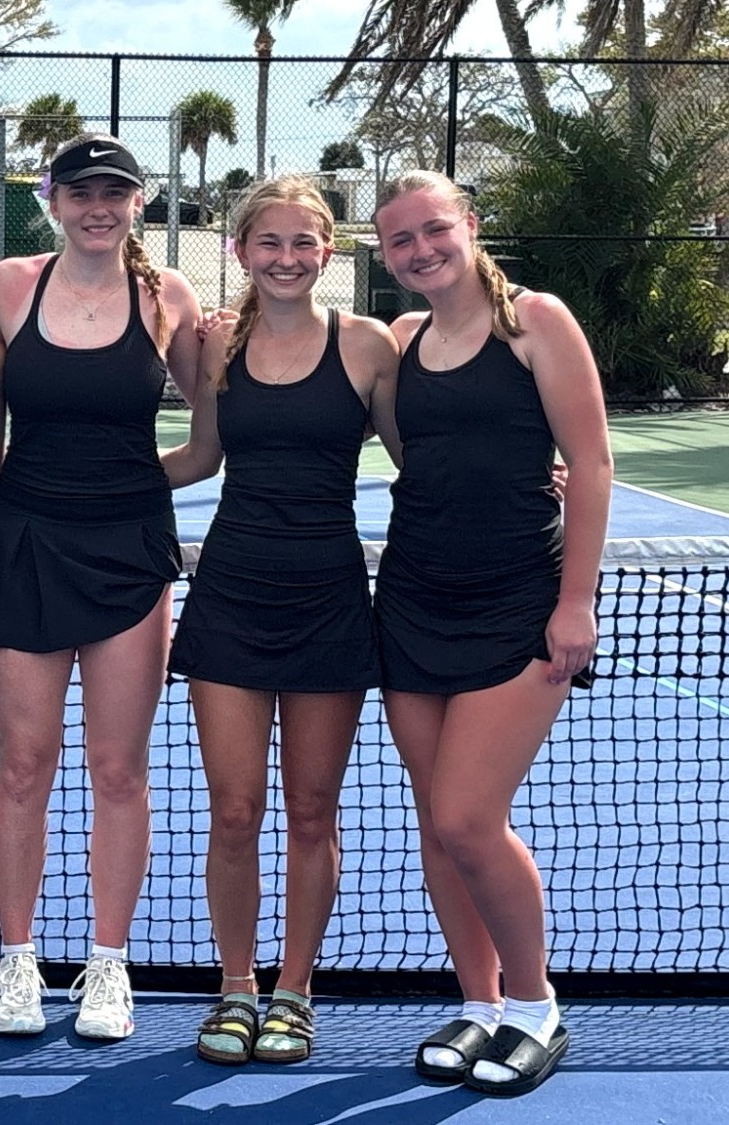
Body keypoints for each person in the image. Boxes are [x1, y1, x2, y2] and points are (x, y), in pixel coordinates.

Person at [371, 170, 611, 1097]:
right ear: (385, 255)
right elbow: (418, 453)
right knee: (439, 825)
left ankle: (536, 1004)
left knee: (471, 815)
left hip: (520, 603)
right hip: (412, 598)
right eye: (401, 240)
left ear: (469, 225)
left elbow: (590, 462)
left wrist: (575, 600)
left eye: (435, 229)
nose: (422, 249)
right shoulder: (402, 338)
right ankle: (480, 1004)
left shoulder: (537, 322)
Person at [158, 178, 400, 1065]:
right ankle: (235, 986)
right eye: (270, 243)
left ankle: (295, 990)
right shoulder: (219, 343)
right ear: (241, 250)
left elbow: (429, 458)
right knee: (233, 809)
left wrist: (532, 475)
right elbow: (200, 455)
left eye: (304, 243)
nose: (287, 258)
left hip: (330, 599)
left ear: (328, 252)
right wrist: (85, 480)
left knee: (310, 811)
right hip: (231, 595)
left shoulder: (371, 347)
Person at [0, 133, 203, 1041]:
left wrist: (138, 488)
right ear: (52, 200)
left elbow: (219, 431)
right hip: (25, 544)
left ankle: (108, 964)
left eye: (115, 192)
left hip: (131, 555)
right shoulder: (8, 288)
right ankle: (18, 960)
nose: (97, 206)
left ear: (138, 202)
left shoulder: (168, 296)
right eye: (80, 192)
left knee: (119, 768)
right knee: (24, 764)